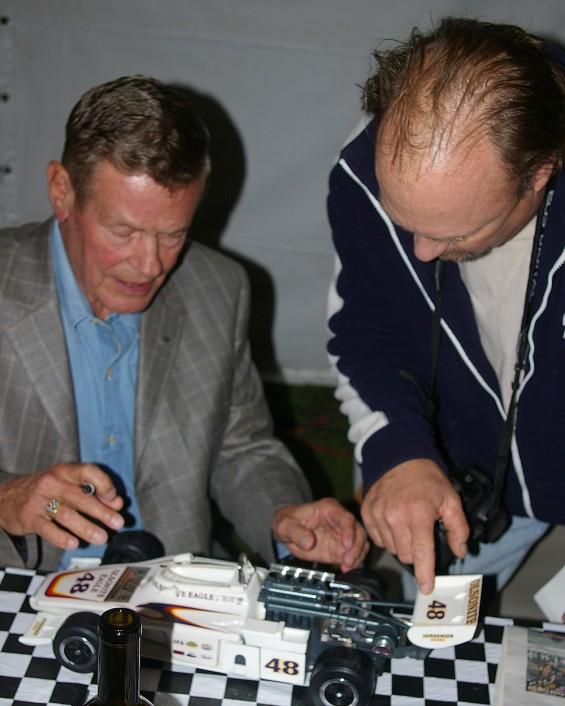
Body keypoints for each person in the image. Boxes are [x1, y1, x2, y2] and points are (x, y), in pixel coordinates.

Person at [0, 75, 368, 572]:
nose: (150, 265)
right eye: (123, 231)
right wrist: (9, 496)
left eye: (173, 234)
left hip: (174, 593)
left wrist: (284, 514)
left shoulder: (217, 289)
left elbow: (241, 447)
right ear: (62, 192)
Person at [327, 18, 565, 596]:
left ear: (539, 172)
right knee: (426, 637)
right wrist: (400, 450)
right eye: (405, 221)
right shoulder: (365, 171)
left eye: (456, 233)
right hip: (470, 477)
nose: (423, 251)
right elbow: (367, 327)